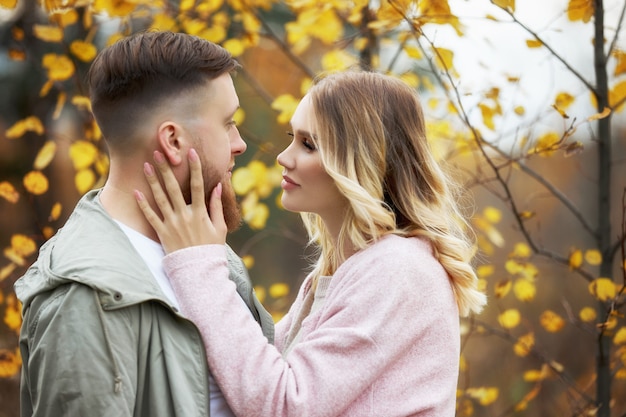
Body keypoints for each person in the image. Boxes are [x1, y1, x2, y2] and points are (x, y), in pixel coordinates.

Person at [136, 70, 487, 416]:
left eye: (308, 144)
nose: (283, 158)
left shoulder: (398, 269)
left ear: (359, 160)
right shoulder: (347, 271)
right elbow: (257, 373)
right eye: (292, 137)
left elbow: (284, 404)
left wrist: (200, 264)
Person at [14, 31, 274, 417]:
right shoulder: (86, 299)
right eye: (228, 123)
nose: (239, 143)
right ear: (172, 139)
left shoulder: (199, 248)